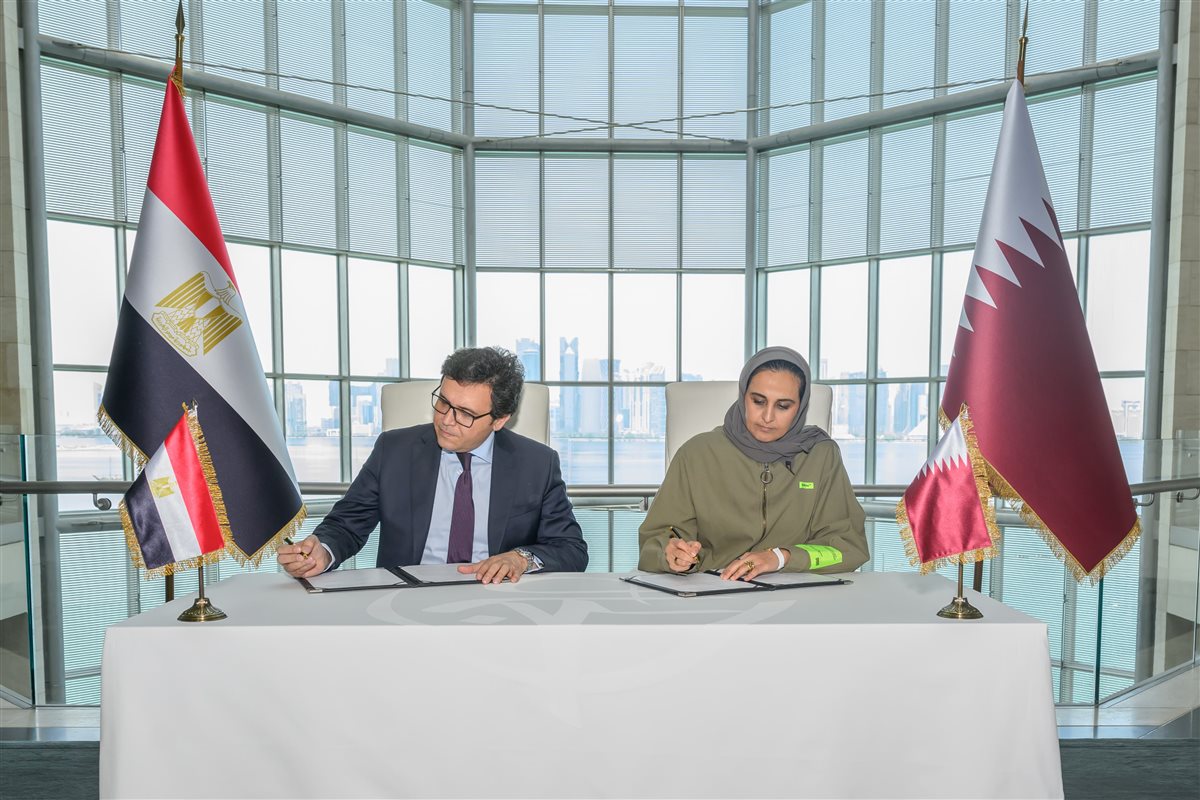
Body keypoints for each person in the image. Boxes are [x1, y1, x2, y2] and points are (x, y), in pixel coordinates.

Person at [280, 346, 588, 583]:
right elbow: (347, 525)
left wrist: (520, 559)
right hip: (404, 599)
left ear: (500, 420)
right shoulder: (394, 451)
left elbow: (571, 548)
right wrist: (323, 551)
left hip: (497, 601)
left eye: (465, 413)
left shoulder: (537, 464)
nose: (446, 420)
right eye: (443, 402)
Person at [639, 346, 867, 580]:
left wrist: (781, 557)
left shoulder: (821, 456)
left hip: (794, 590)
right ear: (743, 397)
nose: (767, 417)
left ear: (801, 408)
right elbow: (654, 541)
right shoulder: (695, 454)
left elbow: (849, 547)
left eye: (783, 406)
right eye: (758, 401)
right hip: (713, 589)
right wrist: (672, 554)